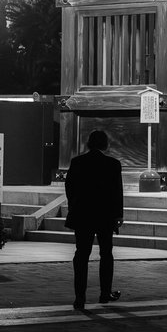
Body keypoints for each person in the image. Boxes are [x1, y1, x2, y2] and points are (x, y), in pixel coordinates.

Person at [64, 129, 124, 310]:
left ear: (89, 143)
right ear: (105, 144)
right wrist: (118, 214)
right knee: (106, 254)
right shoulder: (113, 164)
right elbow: (117, 192)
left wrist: (75, 206)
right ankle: (105, 293)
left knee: (81, 254)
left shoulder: (77, 162)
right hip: (105, 215)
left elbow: (70, 188)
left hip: (83, 215)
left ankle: (79, 297)